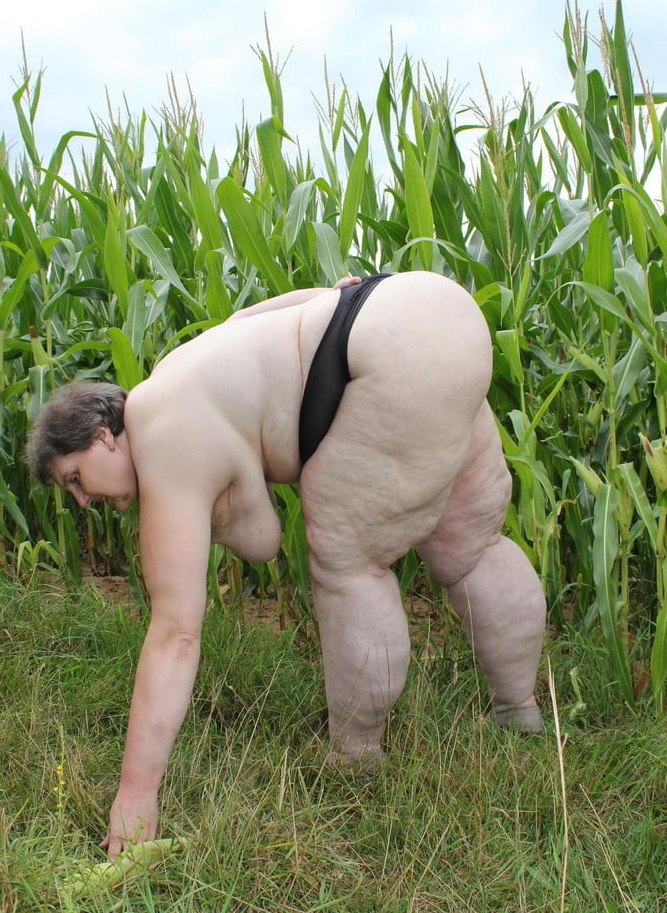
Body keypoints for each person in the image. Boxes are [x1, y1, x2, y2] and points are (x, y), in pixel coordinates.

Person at [27, 271, 546, 860]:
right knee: (472, 545)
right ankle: (518, 711)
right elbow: (247, 321)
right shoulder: (178, 373)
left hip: (375, 353)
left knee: (349, 567)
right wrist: (336, 294)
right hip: (430, 311)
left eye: (75, 479)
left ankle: (354, 760)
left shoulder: (158, 432)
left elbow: (175, 634)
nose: (83, 501)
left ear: (105, 437)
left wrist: (135, 794)